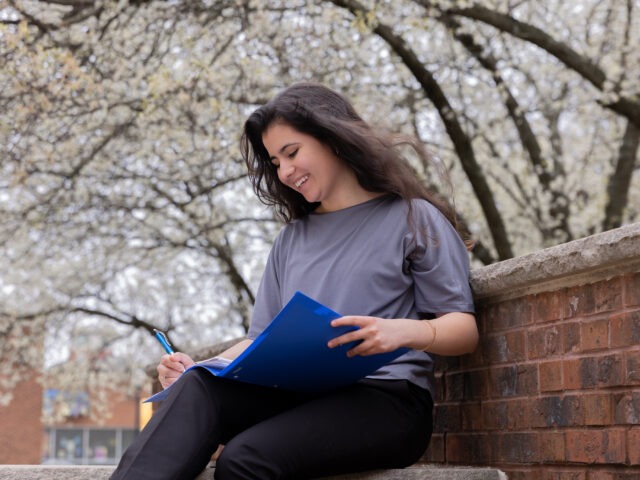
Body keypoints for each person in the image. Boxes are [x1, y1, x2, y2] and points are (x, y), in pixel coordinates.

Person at [110, 82, 478, 480]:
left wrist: (400, 332)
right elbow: (260, 342)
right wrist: (201, 368)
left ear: (333, 138)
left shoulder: (412, 217)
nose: (285, 172)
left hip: (389, 401)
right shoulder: (291, 240)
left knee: (244, 458)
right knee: (198, 385)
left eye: (292, 153)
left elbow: (464, 329)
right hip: (300, 396)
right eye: (275, 162)